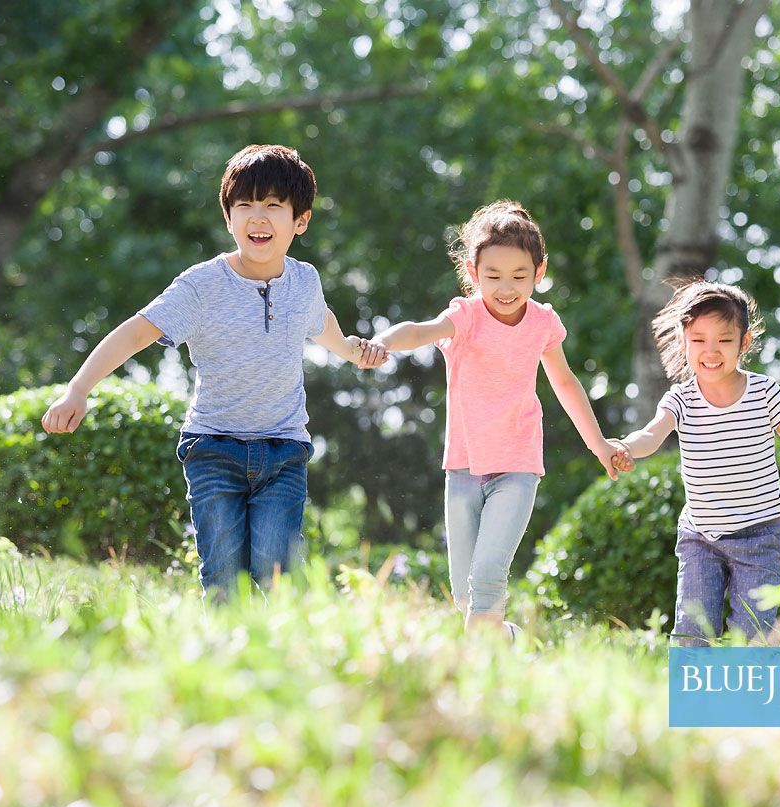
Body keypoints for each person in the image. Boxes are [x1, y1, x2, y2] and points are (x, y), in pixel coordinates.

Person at [41, 144, 385, 597]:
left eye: (273, 206)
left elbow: (321, 322)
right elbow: (134, 334)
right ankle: (225, 659)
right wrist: (78, 388)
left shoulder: (305, 280)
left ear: (300, 221)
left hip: (284, 450)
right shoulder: (201, 286)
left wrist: (350, 351)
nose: (257, 217)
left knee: (275, 570)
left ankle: (275, 660)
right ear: (228, 218)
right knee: (223, 576)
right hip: (213, 450)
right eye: (245, 205)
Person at [373, 200, 620, 640]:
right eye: (493, 276)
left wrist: (599, 443)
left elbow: (565, 383)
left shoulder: (543, 322)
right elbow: (420, 330)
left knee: (487, 576)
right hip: (464, 467)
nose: (506, 288)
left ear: (539, 272)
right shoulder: (467, 317)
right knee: (464, 596)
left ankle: (476, 664)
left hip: (518, 465)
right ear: (472, 271)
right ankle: (504, 637)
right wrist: (382, 343)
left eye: (519, 277)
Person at [608, 280, 780, 645]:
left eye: (723, 339)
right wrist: (624, 447)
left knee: (752, 634)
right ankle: (691, 699)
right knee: (692, 631)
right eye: (699, 339)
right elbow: (652, 434)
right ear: (684, 342)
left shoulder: (765, 394)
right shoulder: (682, 399)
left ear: (744, 342)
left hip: (760, 535)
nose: (711, 350)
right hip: (699, 536)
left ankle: (745, 699)